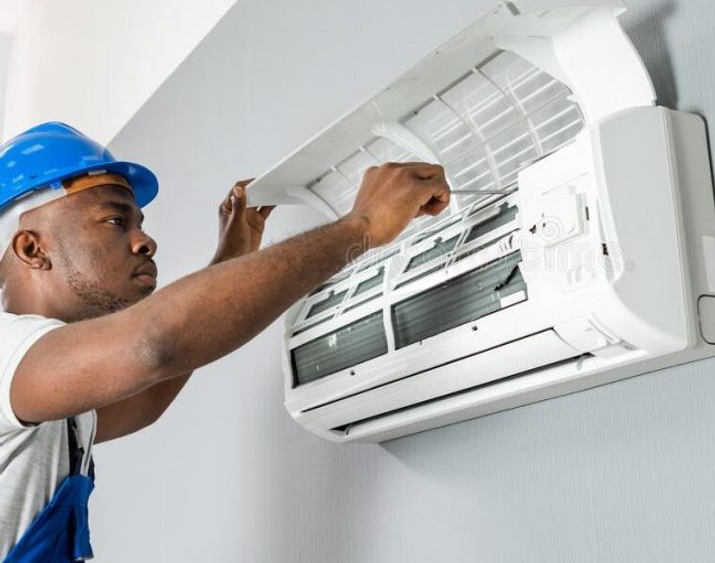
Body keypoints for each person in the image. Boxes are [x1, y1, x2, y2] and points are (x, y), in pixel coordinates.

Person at [0, 121, 449, 561]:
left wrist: (233, 257)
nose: (145, 241)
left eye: (139, 222)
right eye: (116, 220)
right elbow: (155, 344)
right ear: (31, 249)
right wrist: (361, 226)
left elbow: (145, 397)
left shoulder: (53, 397)